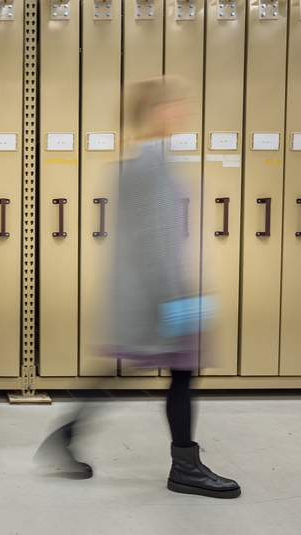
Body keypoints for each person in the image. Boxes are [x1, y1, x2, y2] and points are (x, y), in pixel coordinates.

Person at [35, 76, 241, 499]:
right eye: (174, 105)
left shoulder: (138, 158)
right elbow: (151, 240)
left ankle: (67, 439)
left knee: (134, 371)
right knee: (176, 373)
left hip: (150, 292)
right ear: (155, 111)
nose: (182, 112)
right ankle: (185, 467)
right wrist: (176, 298)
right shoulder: (151, 160)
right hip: (159, 295)